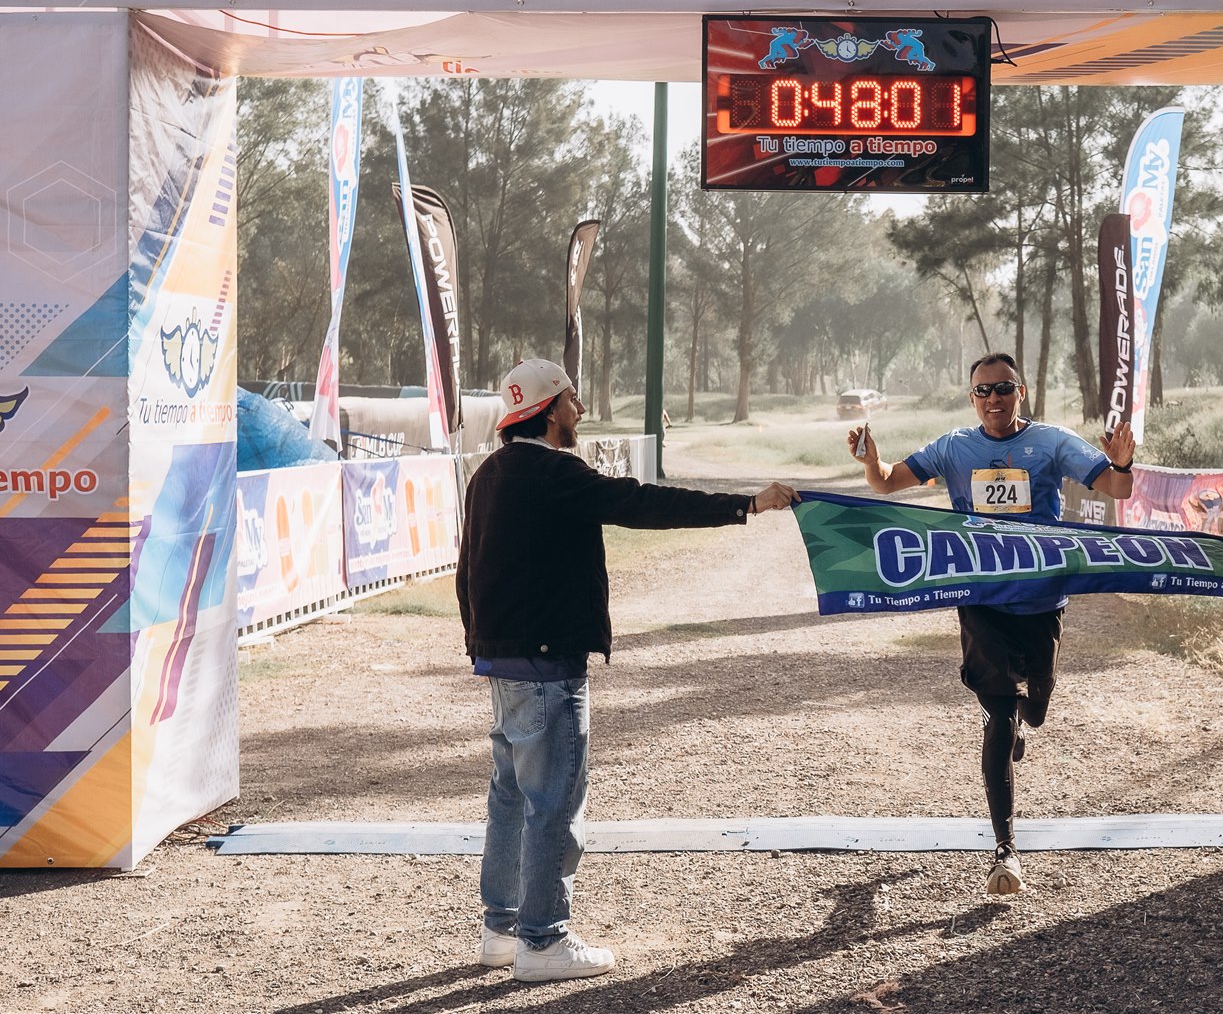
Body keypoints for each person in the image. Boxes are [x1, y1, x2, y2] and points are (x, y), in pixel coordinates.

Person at [458, 358, 799, 983]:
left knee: (510, 798)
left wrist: (477, 642)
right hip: (548, 662)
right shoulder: (557, 472)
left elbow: (466, 567)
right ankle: (543, 939)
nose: (581, 410)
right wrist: (745, 504)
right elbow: (641, 503)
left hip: (500, 660)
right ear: (549, 411)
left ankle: (500, 930)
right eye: (572, 400)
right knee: (552, 803)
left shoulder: (488, 473)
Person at [849, 353, 1134, 896]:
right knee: (998, 716)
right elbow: (886, 483)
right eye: (982, 391)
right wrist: (872, 460)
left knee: (1037, 706)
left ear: (1020, 392)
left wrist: (1120, 466)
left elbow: (1117, 489)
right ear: (972, 398)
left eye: (1003, 388)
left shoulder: (1051, 442)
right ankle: (1005, 849)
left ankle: (1026, 714)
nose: (993, 399)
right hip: (981, 600)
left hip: (1041, 600)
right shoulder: (954, 448)